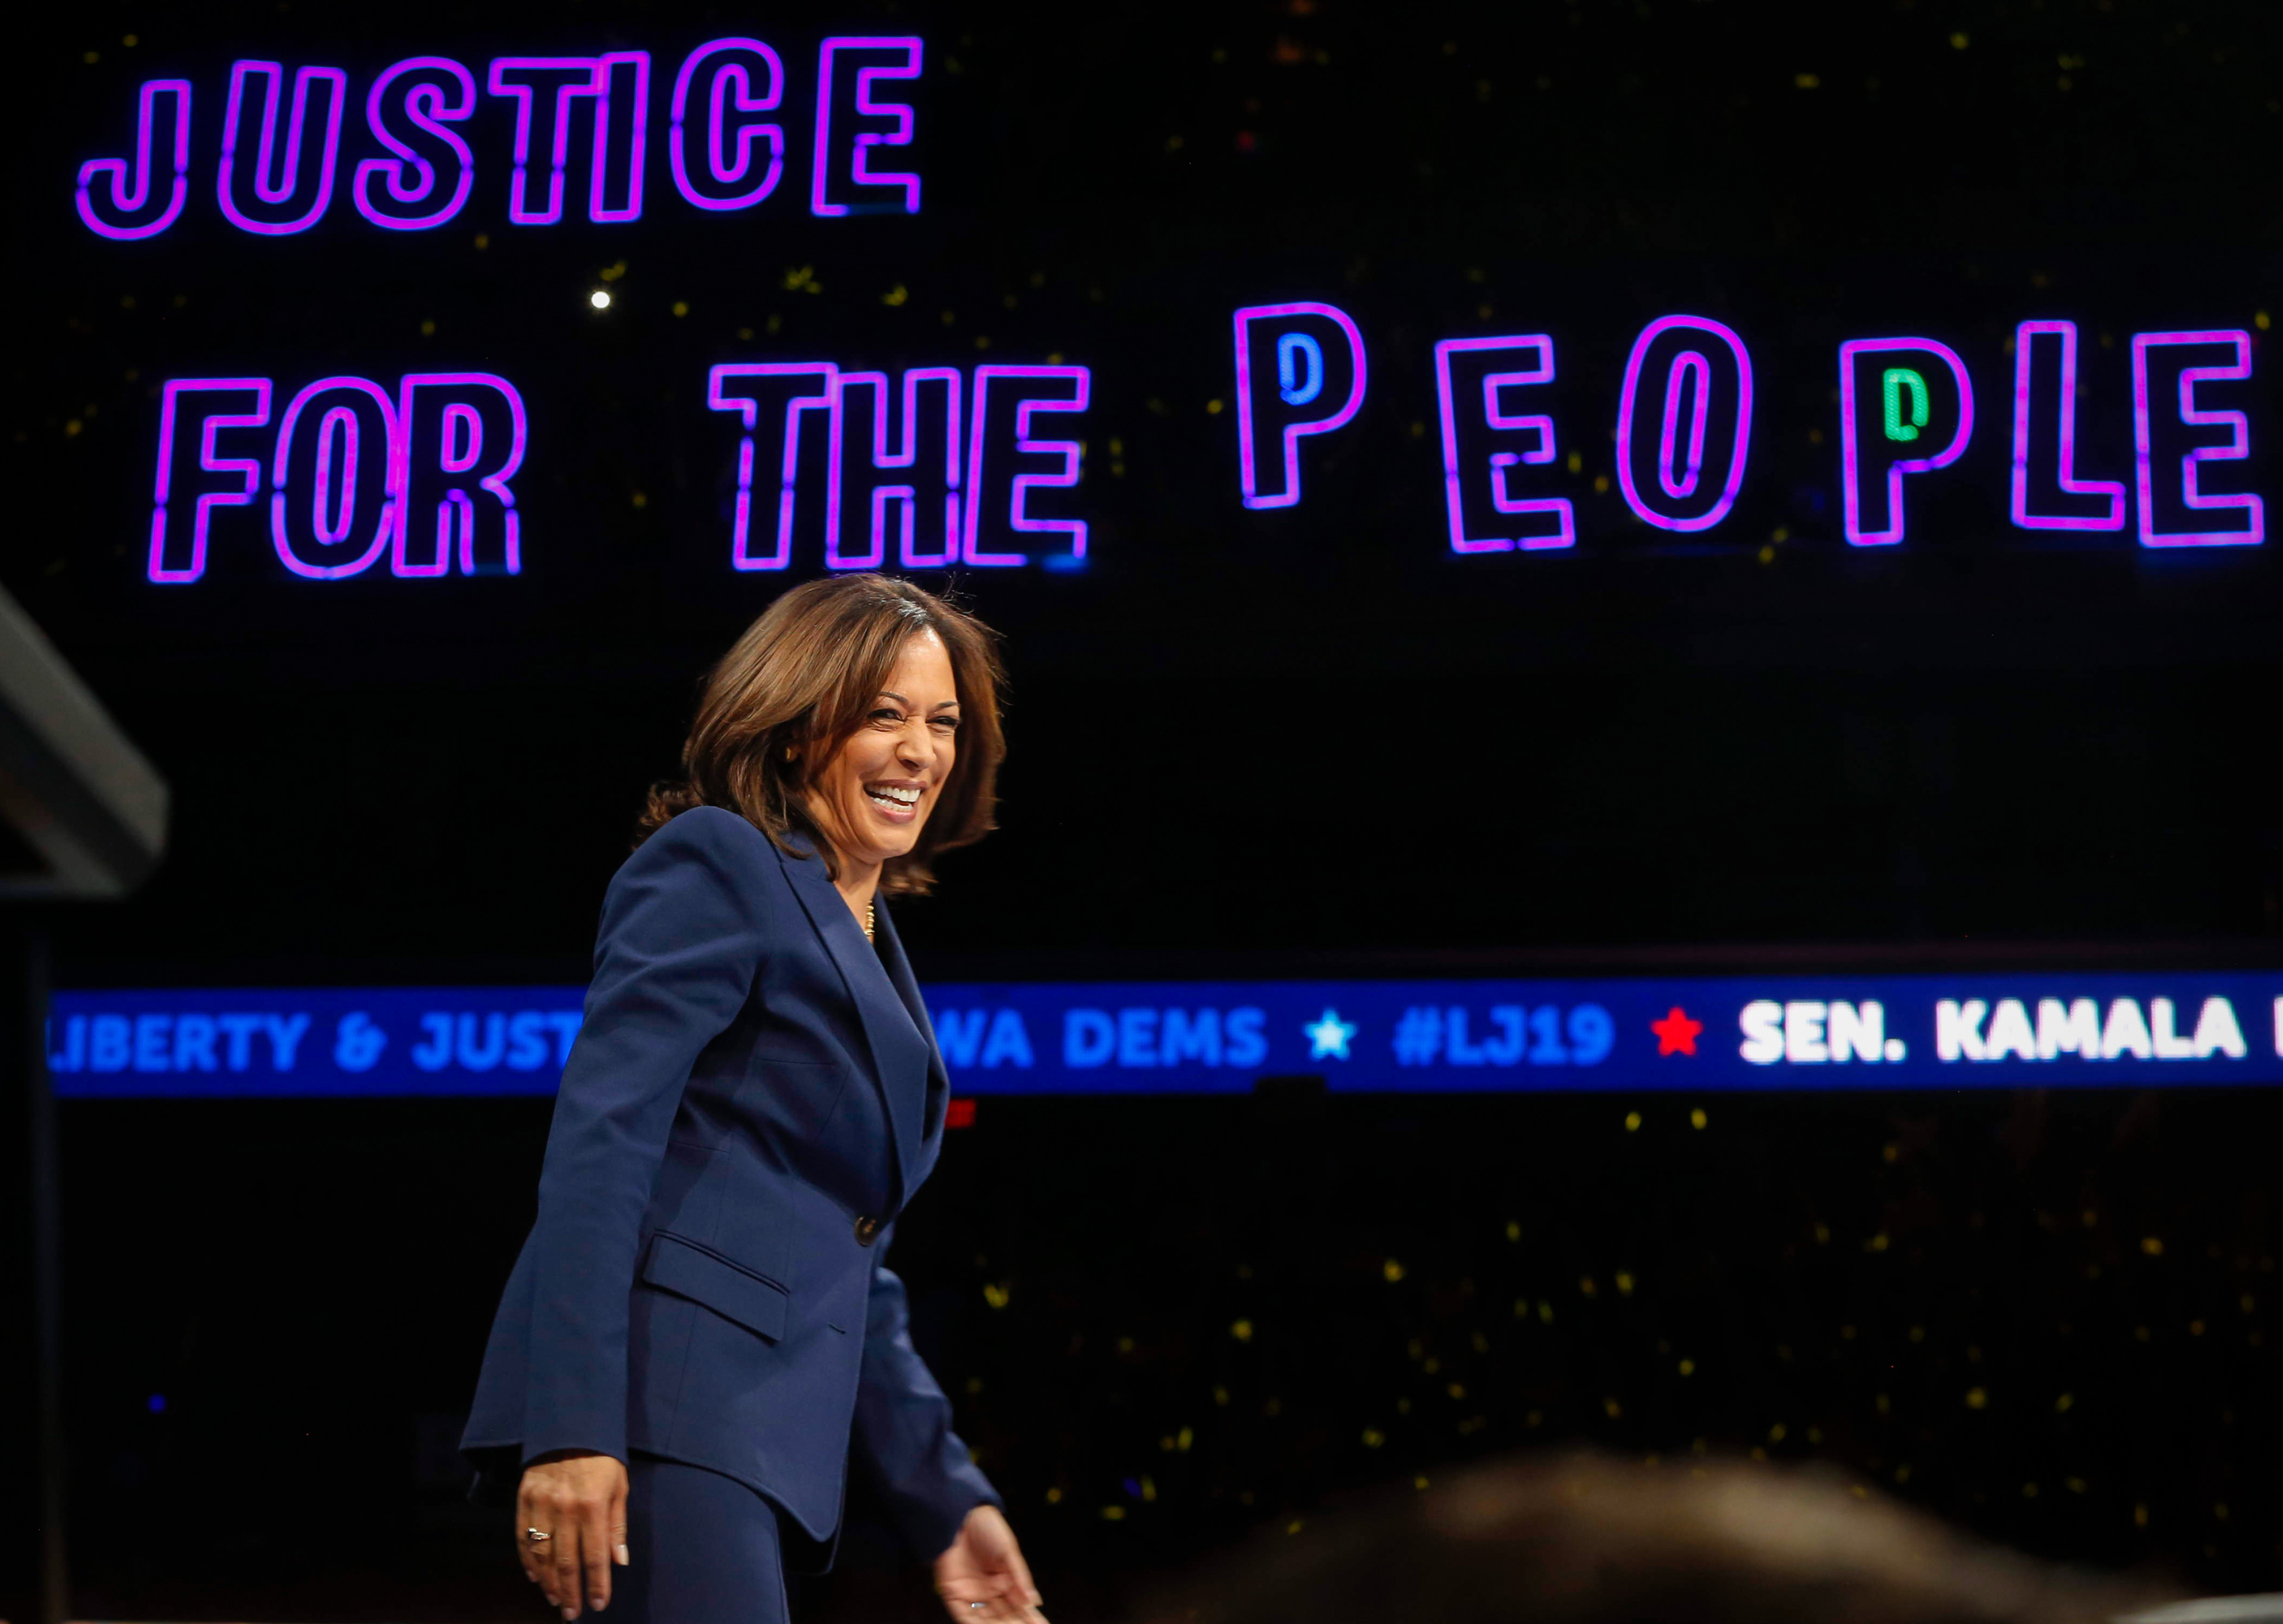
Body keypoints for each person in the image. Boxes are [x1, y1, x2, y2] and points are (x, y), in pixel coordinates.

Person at [461, 575, 1042, 1624]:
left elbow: (852, 1267)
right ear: (793, 730)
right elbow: (604, 1141)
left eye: (942, 721)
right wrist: (573, 1427)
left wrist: (945, 1500)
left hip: (752, 1443)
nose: (921, 750)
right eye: (884, 714)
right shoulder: (721, 861)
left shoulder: (876, 948)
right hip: (658, 1418)